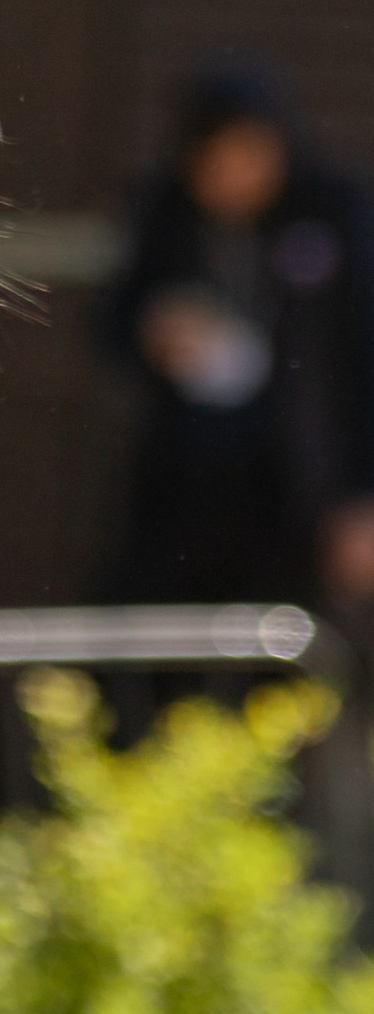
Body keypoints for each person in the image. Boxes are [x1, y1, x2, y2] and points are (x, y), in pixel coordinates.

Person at [103, 53, 374, 614]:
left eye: (247, 152)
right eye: (213, 157)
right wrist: (153, 332)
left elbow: (358, 357)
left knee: (287, 650)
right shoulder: (167, 213)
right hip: (183, 475)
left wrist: (359, 497)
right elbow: (113, 323)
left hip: (295, 482)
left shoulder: (332, 212)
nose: (230, 172)